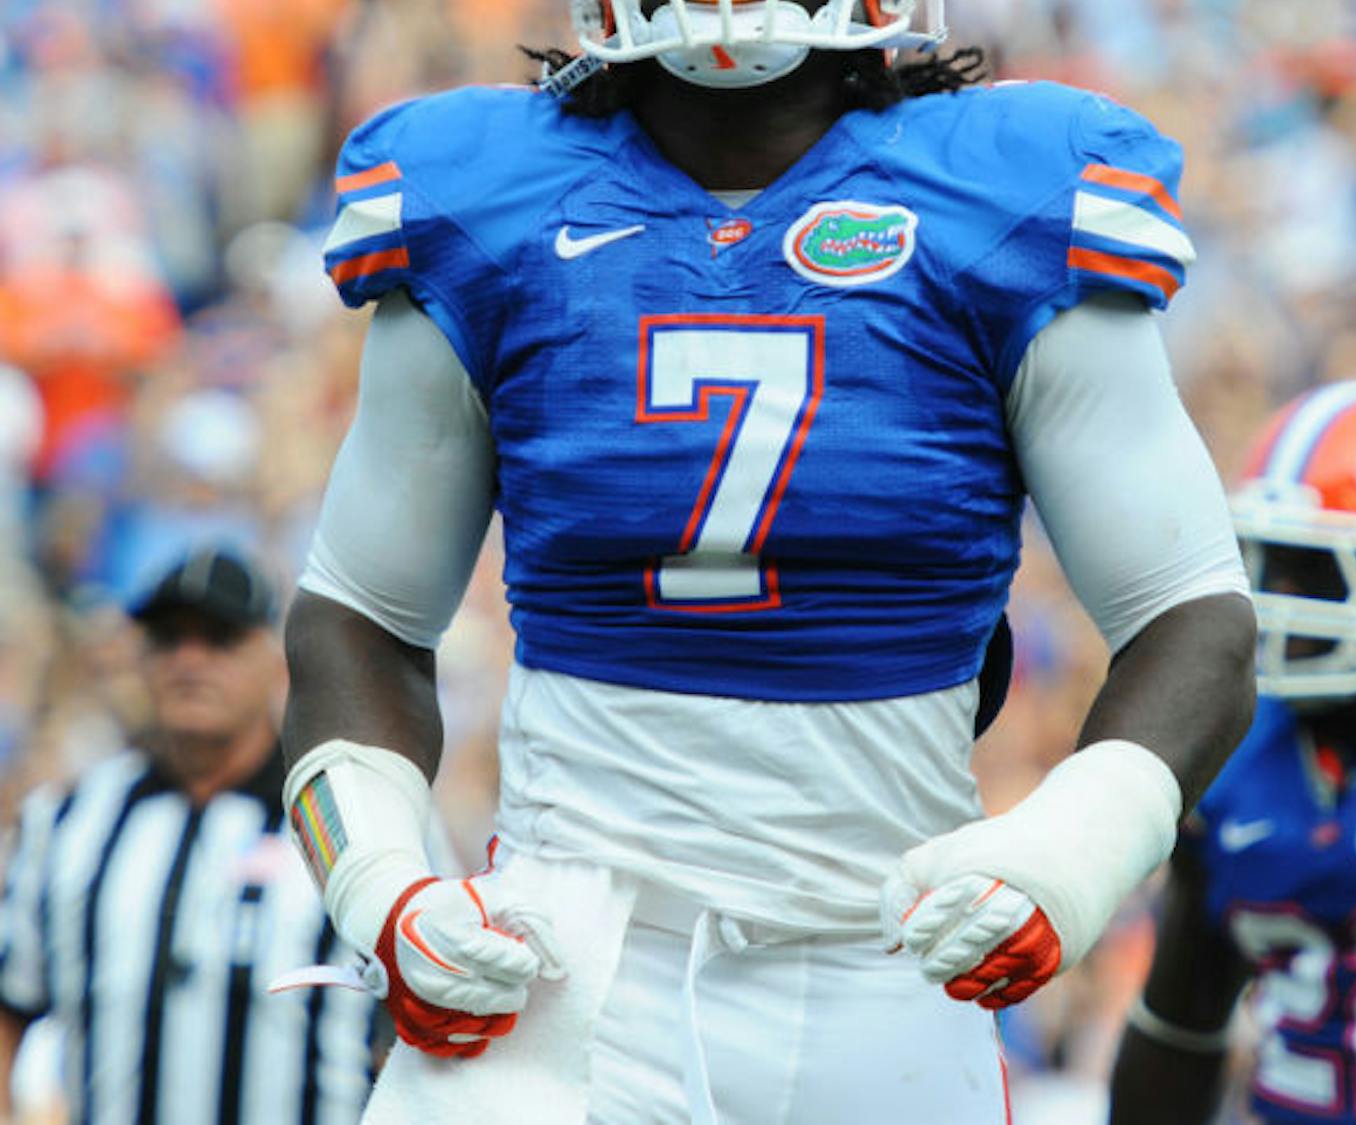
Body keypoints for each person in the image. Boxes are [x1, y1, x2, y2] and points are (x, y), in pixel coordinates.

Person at [280, 1, 1257, 1120]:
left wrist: (1067, 855)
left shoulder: (1001, 192)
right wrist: (382, 887)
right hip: (567, 951)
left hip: (888, 954)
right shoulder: (494, 195)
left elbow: (1196, 622)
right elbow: (355, 616)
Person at [1109, 381, 1356, 1124]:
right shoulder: (1231, 745)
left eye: (1314, 569)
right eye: (1268, 562)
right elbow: (1181, 1021)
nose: (1279, 598)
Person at [0, 548, 383, 1124]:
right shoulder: (66, 821)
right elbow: (11, 1001)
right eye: (167, 639)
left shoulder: (353, 823)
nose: (189, 661)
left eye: (219, 638)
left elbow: (420, 1028)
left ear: (277, 661)